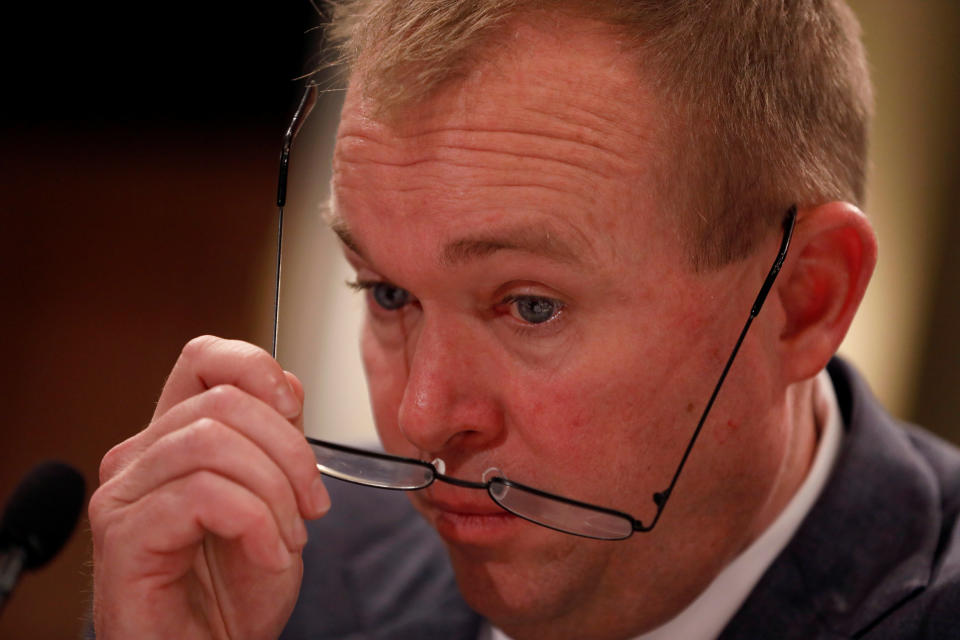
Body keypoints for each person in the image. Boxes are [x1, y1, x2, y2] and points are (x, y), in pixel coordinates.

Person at [88, 1, 960, 638]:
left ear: (804, 299)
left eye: (530, 307)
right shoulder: (267, 588)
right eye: (387, 294)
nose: (423, 421)